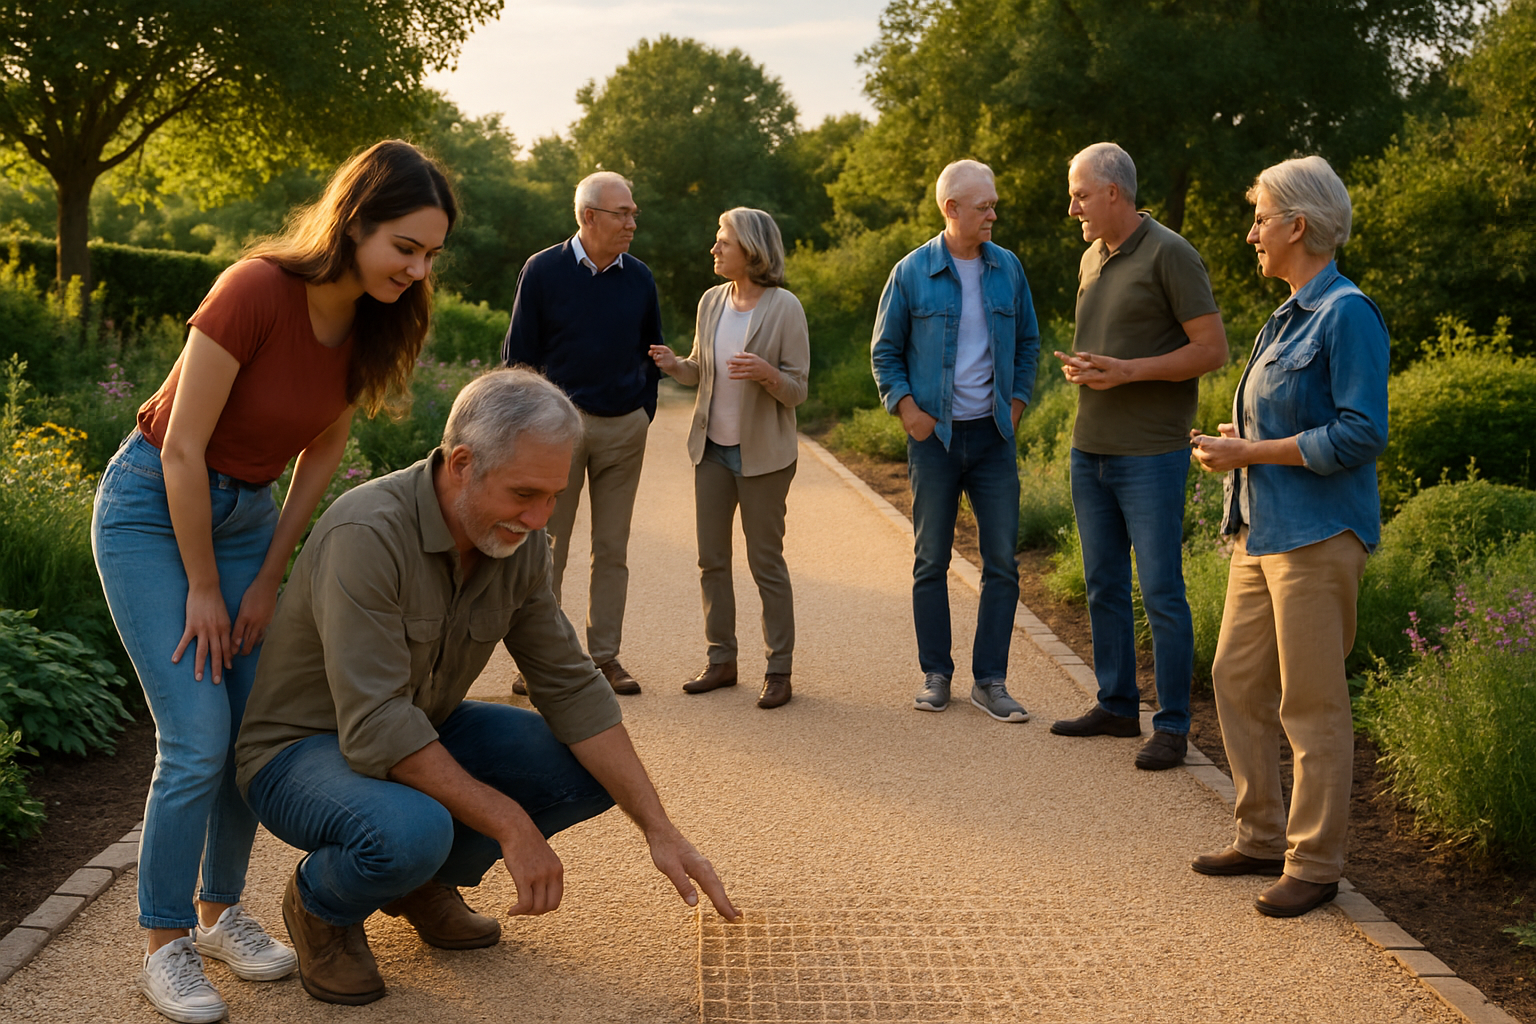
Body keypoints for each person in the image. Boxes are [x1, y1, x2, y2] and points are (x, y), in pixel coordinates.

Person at [90, 140, 456, 1024]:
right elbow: (181, 450)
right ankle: (164, 945)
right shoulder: (254, 289)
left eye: (430, 255)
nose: (417, 270)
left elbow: (322, 449)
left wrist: (268, 576)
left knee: (252, 730)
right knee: (195, 737)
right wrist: (205, 588)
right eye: (405, 247)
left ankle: (219, 914)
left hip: (249, 522)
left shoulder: (373, 321)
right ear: (355, 223)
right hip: (151, 510)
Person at [234, 368, 740, 1005]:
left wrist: (659, 828)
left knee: (583, 770)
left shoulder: (517, 542)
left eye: (553, 496)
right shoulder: (366, 535)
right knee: (413, 831)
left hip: (420, 725)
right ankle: (321, 905)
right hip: (299, 752)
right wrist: (511, 823)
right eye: (524, 493)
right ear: (462, 464)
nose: (539, 518)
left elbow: (572, 687)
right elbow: (377, 723)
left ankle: (419, 885)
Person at [1189, 157, 1388, 918]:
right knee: (1237, 680)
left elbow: (1362, 433)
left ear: (1297, 226)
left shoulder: (1347, 314)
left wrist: (1253, 451)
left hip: (1318, 536)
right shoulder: (1286, 315)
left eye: (1261, 219)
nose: (1252, 235)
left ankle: (1315, 862)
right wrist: (1242, 442)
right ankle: (1261, 835)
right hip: (1260, 532)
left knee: (1311, 703)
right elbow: (1291, 422)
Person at [1048, 142, 1228, 771]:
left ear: (1113, 192)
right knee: (1102, 584)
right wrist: (1090, 369)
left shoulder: (1171, 253)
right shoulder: (1090, 257)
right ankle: (1118, 705)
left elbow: (1212, 350)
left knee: (1161, 591)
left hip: (1151, 454)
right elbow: (1111, 347)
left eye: (1080, 196)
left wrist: (1127, 371)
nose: (1072, 208)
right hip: (1089, 448)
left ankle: (1172, 726)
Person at [871, 159, 1040, 722]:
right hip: (934, 441)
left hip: (993, 438)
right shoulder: (912, 272)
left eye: (993, 205)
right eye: (984, 206)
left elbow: (1029, 342)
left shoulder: (1008, 268)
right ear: (952, 209)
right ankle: (935, 674)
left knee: (1002, 564)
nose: (993, 214)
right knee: (930, 561)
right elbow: (884, 352)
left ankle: (990, 681)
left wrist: (1015, 406)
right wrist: (909, 413)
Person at [501, 170, 663, 696]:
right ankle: (539, 662)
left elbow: (653, 350)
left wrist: (643, 411)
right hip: (555, 433)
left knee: (612, 548)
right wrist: (528, 429)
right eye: (623, 213)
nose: (632, 222)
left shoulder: (639, 278)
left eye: (633, 213)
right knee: (546, 546)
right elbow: (518, 357)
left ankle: (604, 658)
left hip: (623, 428)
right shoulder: (542, 270)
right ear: (589, 216)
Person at [649, 208, 809, 709]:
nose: (714, 249)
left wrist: (767, 373)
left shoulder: (785, 307)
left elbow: (797, 390)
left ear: (752, 250)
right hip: (712, 452)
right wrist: (676, 365)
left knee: (766, 563)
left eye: (724, 242)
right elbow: (701, 369)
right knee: (711, 561)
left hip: (764, 458)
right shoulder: (711, 301)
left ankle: (778, 670)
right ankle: (721, 660)